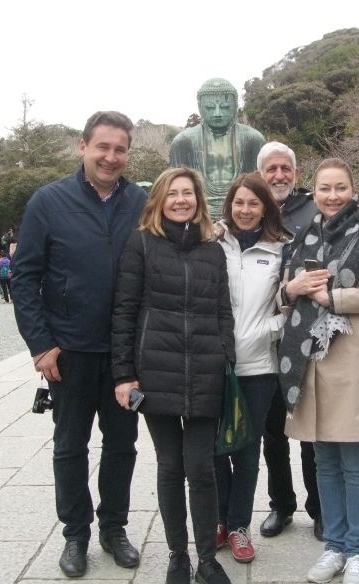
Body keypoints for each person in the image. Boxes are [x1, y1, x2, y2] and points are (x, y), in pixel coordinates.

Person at [11, 111, 147, 579]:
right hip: (68, 351)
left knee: (123, 444)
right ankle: (76, 533)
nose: (111, 157)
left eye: (120, 149)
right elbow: (25, 277)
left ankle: (114, 527)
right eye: (102, 147)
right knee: (70, 446)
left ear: (128, 152)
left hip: (126, 352)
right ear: (82, 146)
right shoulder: (48, 202)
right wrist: (40, 343)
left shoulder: (142, 202)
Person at [111, 167, 235, 584]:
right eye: (172, 194)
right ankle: (177, 554)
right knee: (169, 466)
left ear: (199, 201)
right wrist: (124, 374)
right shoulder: (142, 243)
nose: (181, 200)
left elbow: (223, 311)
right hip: (154, 371)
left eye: (188, 194)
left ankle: (206, 559)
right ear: (159, 200)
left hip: (205, 369)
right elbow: (125, 311)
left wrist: (225, 356)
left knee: (201, 467)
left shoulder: (212, 250)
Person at [277, 158, 359, 584]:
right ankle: (335, 545)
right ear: (315, 190)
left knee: (355, 460)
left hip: (352, 358)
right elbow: (283, 292)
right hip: (309, 360)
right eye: (324, 188)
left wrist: (333, 297)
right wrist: (293, 289)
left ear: (352, 188)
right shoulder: (303, 234)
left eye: (339, 187)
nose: (331, 196)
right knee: (323, 457)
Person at [213, 173, 288, 564]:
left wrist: (267, 330)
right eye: (239, 203)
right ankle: (220, 520)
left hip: (259, 366)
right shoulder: (211, 243)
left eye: (253, 203)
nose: (245, 210)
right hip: (215, 364)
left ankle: (239, 525)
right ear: (230, 205)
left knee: (245, 449)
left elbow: (290, 306)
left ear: (265, 208)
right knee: (211, 450)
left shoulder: (280, 249)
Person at [254, 141, 323, 541]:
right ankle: (281, 504)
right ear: (260, 173)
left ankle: (319, 508)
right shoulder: (251, 210)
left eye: (286, 168)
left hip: (305, 334)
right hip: (263, 336)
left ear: (296, 173)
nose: (279, 175)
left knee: (310, 429)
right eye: (271, 169)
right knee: (273, 431)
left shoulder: (313, 209)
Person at [169, 77, 266, 218]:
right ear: (200, 107)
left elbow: (260, 189)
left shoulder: (252, 139)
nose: (217, 113)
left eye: (225, 107)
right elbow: (177, 190)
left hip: (243, 214)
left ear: (235, 106)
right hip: (198, 214)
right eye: (209, 108)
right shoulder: (183, 142)